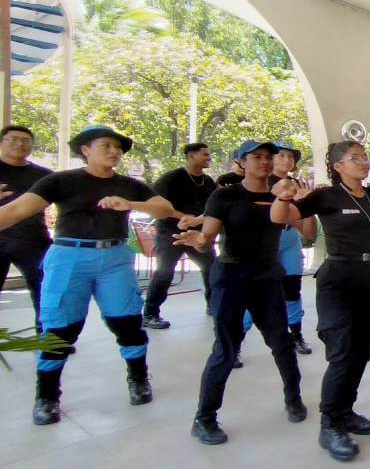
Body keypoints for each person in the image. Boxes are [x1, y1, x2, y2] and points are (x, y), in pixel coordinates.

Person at [0, 125, 174, 425]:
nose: (114, 152)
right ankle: (47, 396)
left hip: (115, 258)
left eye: (118, 148)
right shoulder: (60, 181)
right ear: (85, 150)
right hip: (69, 258)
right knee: (59, 328)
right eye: (106, 145)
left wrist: (131, 204)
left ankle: (138, 378)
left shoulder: (128, 184)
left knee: (127, 322)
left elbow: (164, 208)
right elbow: (15, 211)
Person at [271, 140, 370, 462]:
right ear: (338, 166)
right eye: (355, 158)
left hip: (366, 275)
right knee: (342, 350)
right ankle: (329, 423)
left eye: (364, 156)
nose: (363, 162)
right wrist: (283, 197)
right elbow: (280, 217)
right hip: (337, 278)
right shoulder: (326, 196)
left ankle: (345, 411)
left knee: (365, 344)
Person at [174, 140, 306, 445]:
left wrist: (298, 202)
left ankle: (293, 398)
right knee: (226, 349)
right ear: (241, 162)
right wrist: (200, 241)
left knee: (282, 343)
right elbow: (208, 237)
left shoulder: (280, 195)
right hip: (232, 276)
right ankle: (204, 418)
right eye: (256, 157)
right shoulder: (225, 195)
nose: (265, 161)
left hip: (267, 277)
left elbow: (303, 227)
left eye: (269, 157)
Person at [235, 141, 316, 368]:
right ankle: (235, 343)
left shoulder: (298, 185)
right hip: (262, 245)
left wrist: (307, 205)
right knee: (252, 295)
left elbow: (308, 230)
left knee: (292, 289)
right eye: (280, 156)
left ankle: (296, 334)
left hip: (289, 240)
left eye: (290, 157)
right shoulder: (257, 184)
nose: (285, 160)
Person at [143, 143, 217, 327]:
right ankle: (150, 314)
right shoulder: (171, 178)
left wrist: (201, 224)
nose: (209, 158)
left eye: (209, 154)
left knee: (212, 268)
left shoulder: (208, 181)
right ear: (191, 156)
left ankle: (214, 305)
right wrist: (184, 217)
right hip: (171, 233)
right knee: (165, 272)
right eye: (205, 154)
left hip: (197, 234)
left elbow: (213, 207)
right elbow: (156, 205)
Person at [0, 126, 52, 334]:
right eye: (13, 139)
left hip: (34, 240)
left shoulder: (45, 176)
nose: (20, 144)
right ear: (2, 142)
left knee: (45, 290)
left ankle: (48, 337)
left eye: (26, 140)